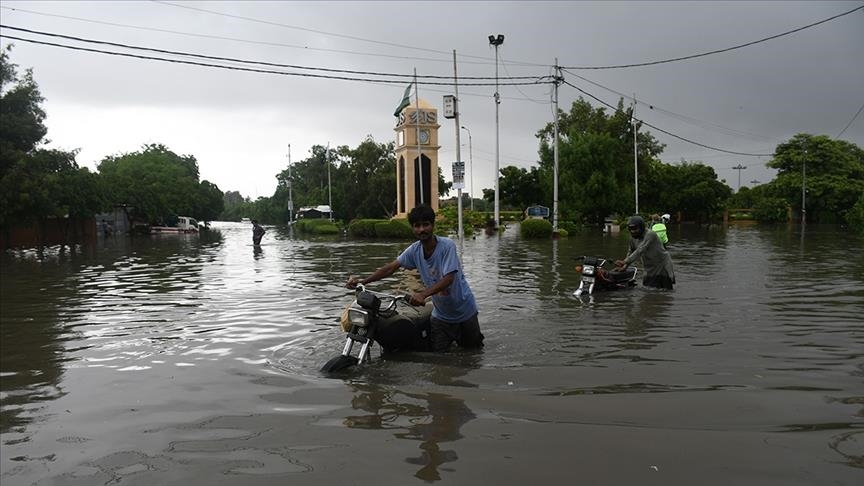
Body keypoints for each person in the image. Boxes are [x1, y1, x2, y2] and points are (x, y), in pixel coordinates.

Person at [346, 205, 483, 352]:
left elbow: (448, 279)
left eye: (426, 224)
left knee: (473, 355)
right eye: (417, 226)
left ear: (433, 225)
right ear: (412, 228)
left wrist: (423, 294)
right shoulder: (414, 250)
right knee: (439, 361)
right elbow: (391, 267)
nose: (422, 229)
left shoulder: (447, 246)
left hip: (464, 312)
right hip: (441, 316)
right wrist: (363, 281)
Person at [615, 215, 675, 289]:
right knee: (648, 290)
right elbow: (630, 252)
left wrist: (624, 261)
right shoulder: (632, 238)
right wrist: (624, 267)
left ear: (641, 227)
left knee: (665, 292)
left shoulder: (650, 234)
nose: (632, 231)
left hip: (662, 265)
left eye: (635, 229)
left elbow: (640, 250)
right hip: (649, 267)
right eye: (630, 229)